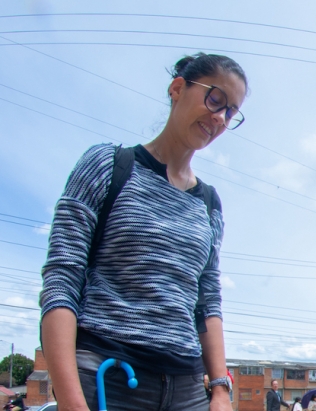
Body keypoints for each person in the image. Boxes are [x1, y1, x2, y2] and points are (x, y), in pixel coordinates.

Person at [39, 52, 247, 411]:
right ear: (178, 88)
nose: (219, 117)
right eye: (215, 99)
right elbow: (62, 279)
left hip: (186, 388)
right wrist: (71, 400)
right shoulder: (108, 165)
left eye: (230, 111)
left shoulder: (209, 204)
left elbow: (207, 300)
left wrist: (219, 390)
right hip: (108, 378)